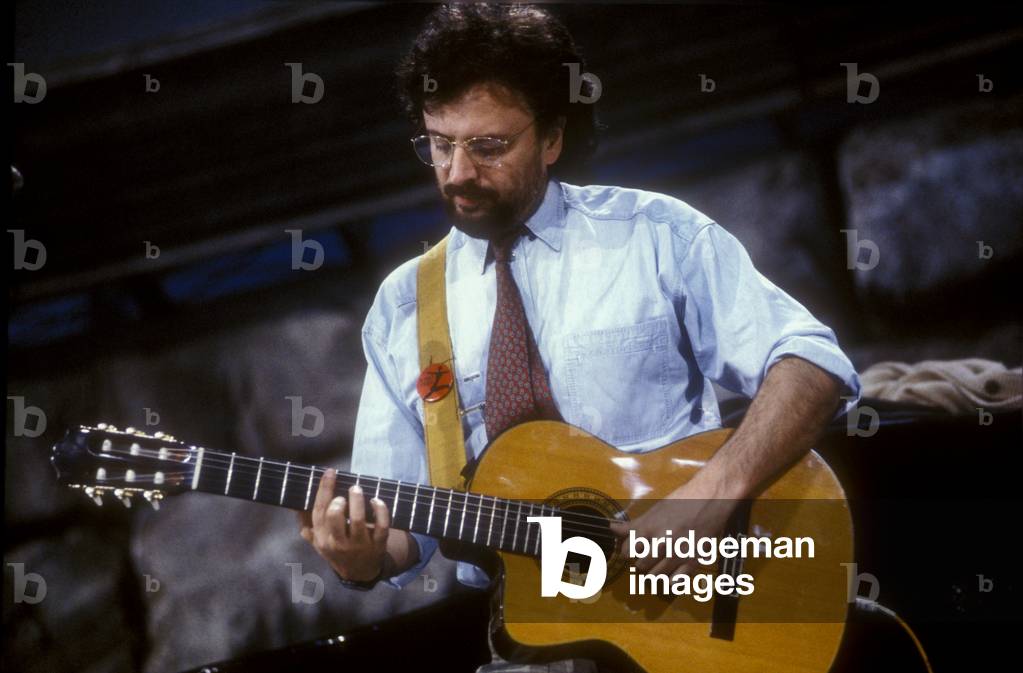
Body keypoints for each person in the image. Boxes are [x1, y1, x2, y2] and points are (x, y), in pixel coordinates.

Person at [298, 4, 861, 672]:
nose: (455, 173)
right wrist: (360, 559)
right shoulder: (402, 308)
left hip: (690, 612)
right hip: (528, 648)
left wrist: (713, 494)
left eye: (488, 146)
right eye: (438, 143)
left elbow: (812, 363)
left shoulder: (655, 234)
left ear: (553, 137)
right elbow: (401, 533)